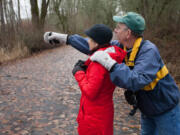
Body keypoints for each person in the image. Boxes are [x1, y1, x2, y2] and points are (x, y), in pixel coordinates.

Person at [44, 12, 180, 135]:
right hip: (147, 108)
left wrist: (111, 64)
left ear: (128, 33)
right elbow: (95, 45)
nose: (115, 30)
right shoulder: (123, 46)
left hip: (166, 109)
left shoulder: (148, 51)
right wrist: (66, 38)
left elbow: (137, 79)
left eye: (119, 27)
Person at [45, 24, 126, 135]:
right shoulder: (108, 54)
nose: (87, 41)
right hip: (101, 114)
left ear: (97, 43)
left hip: (94, 119)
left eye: (90, 39)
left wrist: (78, 73)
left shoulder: (99, 62)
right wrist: (87, 66)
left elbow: (90, 92)